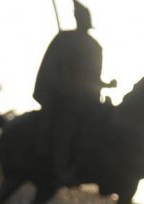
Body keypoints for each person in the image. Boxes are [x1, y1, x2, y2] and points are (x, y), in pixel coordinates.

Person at [33, 0, 114, 186]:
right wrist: (62, 85)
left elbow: (94, 76)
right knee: (67, 124)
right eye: (81, 17)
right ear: (77, 19)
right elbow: (52, 67)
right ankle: (61, 171)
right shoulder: (64, 39)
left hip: (88, 97)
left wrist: (107, 84)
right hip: (65, 96)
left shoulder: (95, 47)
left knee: (107, 117)